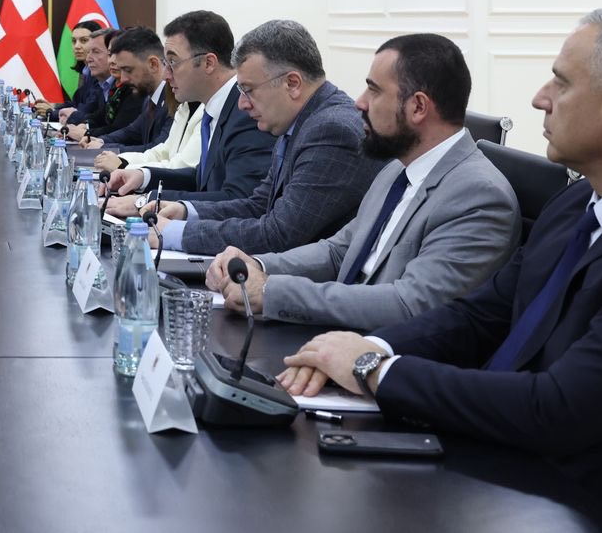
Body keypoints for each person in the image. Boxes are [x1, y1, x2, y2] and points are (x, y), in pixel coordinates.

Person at [280, 7, 602, 533]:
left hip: (594, 524)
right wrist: (368, 346)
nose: (540, 98)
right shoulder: (579, 202)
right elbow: (480, 315)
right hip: (510, 473)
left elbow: (560, 409)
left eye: (561, 82)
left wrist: (375, 370)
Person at [204, 33, 518, 329]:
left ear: (418, 107)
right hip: (337, 333)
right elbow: (338, 251)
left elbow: (410, 304)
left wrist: (272, 292)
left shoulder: (478, 195)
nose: (360, 102)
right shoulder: (396, 170)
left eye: (374, 91)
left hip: (380, 350)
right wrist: (256, 265)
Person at [156, 19, 381, 258]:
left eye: (248, 90)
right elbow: (259, 205)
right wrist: (186, 211)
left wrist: (174, 234)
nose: (242, 104)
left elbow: (279, 234)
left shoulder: (331, 131)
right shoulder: (299, 122)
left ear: (292, 84)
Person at [104, 10, 274, 214]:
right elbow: (202, 180)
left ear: (208, 63)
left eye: (173, 62)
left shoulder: (246, 112)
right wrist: (143, 176)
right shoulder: (214, 108)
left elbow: (238, 198)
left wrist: (147, 201)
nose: (166, 75)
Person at [81, 27, 172, 153]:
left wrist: (105, 148)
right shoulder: (150, 99)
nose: (123, 79)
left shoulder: (174, 101)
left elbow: (158, 151)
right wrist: (100, 141)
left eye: (128, 70)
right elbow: (131, 132)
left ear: (153, 64)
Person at [63, 28, 144, 140]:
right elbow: (99, 116)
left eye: (96, 52)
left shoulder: (134, 88)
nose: (88, 59)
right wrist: (85, 126)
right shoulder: (113, 87)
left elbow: (122, 130)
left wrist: (86, 133)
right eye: (110, 54)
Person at [40, 19, 104, 121]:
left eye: (84, 40)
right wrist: (53, 106)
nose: (77, 46)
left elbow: (87, 109)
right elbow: (76, 104)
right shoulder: (85, 72)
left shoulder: (100, 74)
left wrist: (52, 112)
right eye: (74, 41)